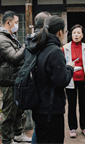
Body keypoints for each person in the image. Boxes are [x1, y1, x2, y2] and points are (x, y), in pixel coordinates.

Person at [29, 15, 75, 144]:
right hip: (51, 109)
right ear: (60, 32)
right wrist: (69, 68)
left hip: (39, 105)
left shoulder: (39, 47)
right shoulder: (55, 51)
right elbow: (61, 81)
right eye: (65, 32)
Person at [0, 11, 31, 144]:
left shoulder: (10, 37)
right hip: (8, 81)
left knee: (18, 110)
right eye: (16, 22)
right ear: (8, 22)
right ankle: (6, 140)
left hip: (15, 79)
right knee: (8, 113)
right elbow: (14, 58)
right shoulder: (2, 40)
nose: (17, 25)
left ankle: (18, 135)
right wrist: (26, 45)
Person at [24, 11, 51, 144]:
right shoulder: (44, 39)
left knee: (38, 126)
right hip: (43, 86)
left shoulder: (30, 38)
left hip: (32, 83)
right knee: (43, 127)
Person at [62, 24, 85, 138]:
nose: (76, 35)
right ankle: (73, 128)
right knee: (72, 105)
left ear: (82, 35)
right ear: (71, 35)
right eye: (74, 33)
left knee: (83, 104)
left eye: (79, 33)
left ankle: (84, 127)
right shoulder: (65, 48)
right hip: (71, 80)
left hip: (83, 81)